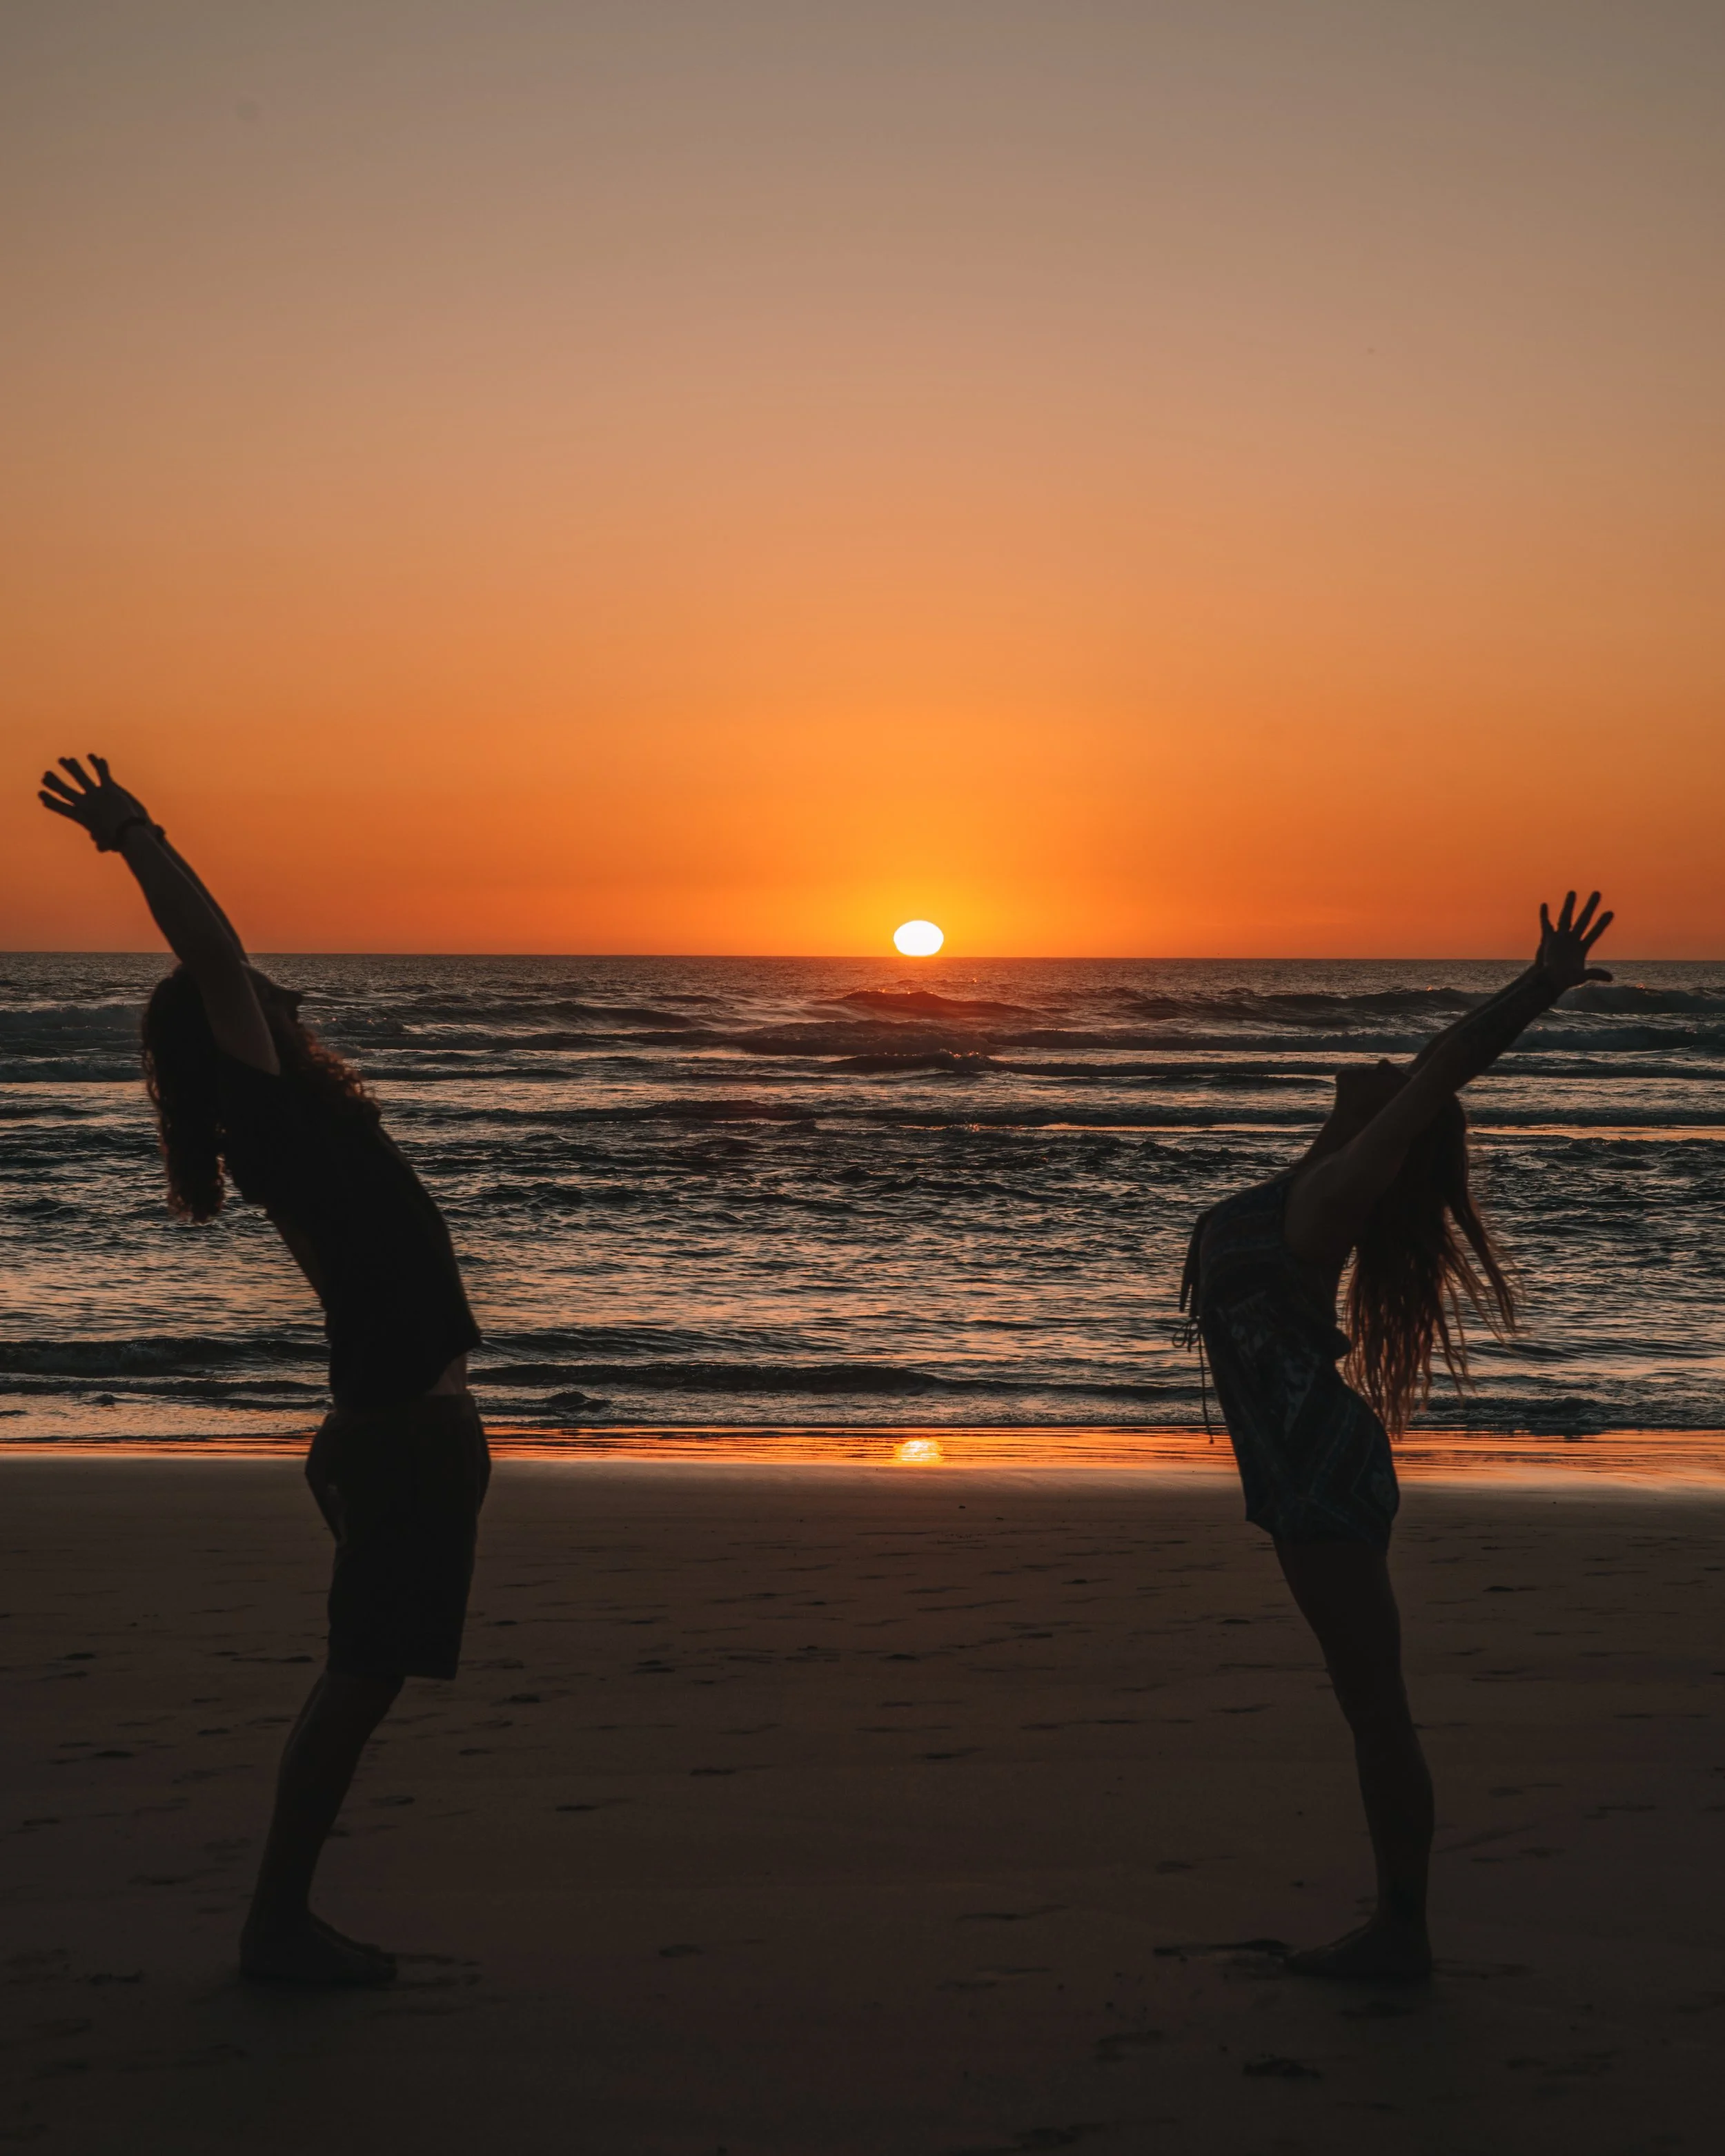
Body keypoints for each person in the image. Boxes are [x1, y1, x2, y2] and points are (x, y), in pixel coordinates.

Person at [39, 754, 487, 1986]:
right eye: (266, 998)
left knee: (368, 1677)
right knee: (358, 1681)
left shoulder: (306, 1129)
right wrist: (134, 835)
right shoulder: (273, 1113)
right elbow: (217, 955)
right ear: (241, 1033)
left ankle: (280, 1924)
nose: (291, 999)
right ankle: (275, 1929)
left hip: (400, 1431)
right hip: (399, 1438)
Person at [1179, 892, 1613, 1981]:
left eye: (1401, 1086)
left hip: (1320, 1471)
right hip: (1298, 1472)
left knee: (1376, 1708)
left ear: (1398, 1131)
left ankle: (1402, 1933)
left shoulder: (1330, 1198)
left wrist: (1539, 987)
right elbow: (1425, 1071)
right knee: (1364, 1700)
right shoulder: (1311, 1181)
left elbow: (1444, 1070)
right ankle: (1398, 1926)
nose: (1391, 1063)